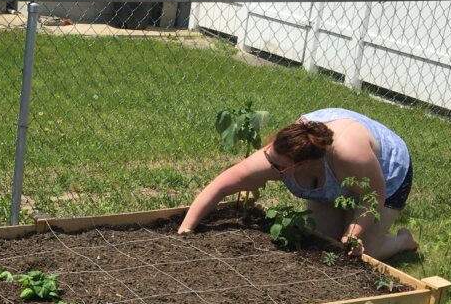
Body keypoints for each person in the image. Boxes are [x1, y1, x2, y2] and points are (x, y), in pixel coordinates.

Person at [178, 108, 418, 260]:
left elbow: (373, 196)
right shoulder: (282, 154)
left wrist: (353, 233)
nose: (268, 166)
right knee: (324, 240)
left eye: (277, 167)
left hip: (387, 175)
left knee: (366, 250)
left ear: (302, 165)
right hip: (339, 175)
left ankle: (403, 241)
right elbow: (221, 185)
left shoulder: (348, 155)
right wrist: (186, 230)